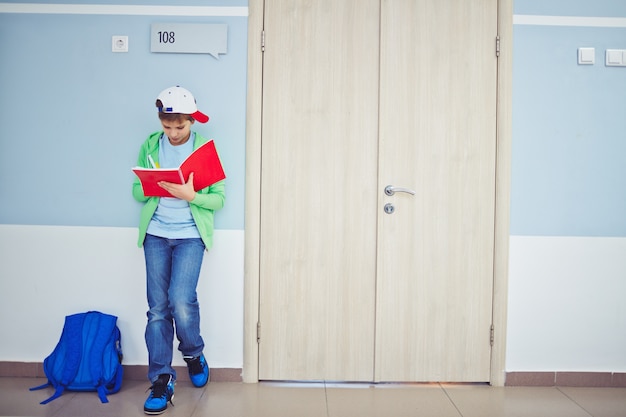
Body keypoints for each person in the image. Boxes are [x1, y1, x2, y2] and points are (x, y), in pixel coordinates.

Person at [132, 86, 225, 415]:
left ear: (191, 122)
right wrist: (150, 185)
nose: (172, 133)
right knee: (157, 309)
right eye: (166, 125)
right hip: (156, 233)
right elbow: (136, 190)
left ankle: (193, 352)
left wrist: (191, 196)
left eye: (179, 127)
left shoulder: (204, 150)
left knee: (180, 302)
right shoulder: (151, 145)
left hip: (189, 236)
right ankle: (161, 379)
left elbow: (219, 199)